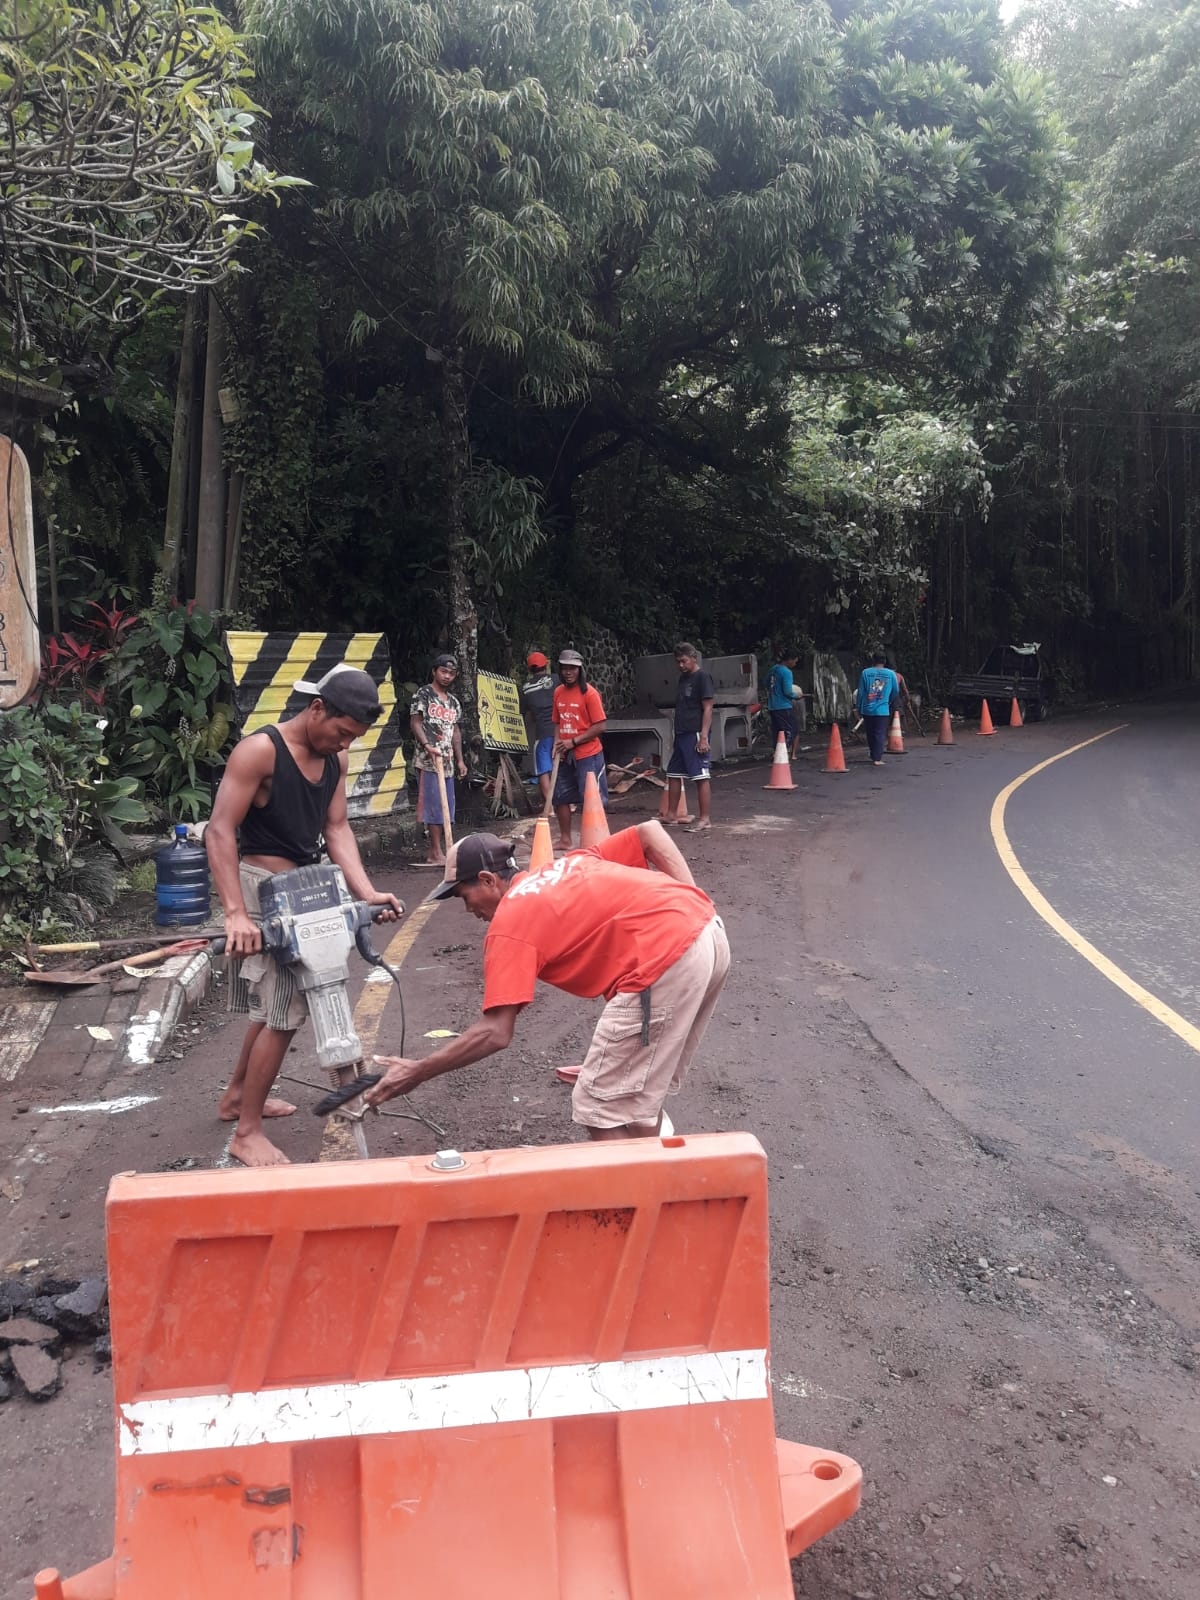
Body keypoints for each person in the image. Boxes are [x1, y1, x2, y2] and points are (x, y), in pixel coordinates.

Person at [368, 822, 730, 1139]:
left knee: (599, 1107)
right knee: (634, 1095)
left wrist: (418, 1071)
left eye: (464, 896)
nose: (468, 909)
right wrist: (692, 903)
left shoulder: (509, 921)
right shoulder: (566, 865)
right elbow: (650, 832)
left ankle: (646, 1208)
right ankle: (664, 1181)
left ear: (487, 880)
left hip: (667, 958)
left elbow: (496, 1032)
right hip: (708, 931)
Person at [205, 664, 404, 1167]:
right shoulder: (260, 751)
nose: (343, 744)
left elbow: (336, 829)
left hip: (308, 888)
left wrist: (367, 892)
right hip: (261, 890)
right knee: (286, 1010)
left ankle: (234, 1096)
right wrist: (235, 913)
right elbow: (219, 832)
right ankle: (246, 1132)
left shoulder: (334, 760)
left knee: (271, 1006)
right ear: (317, 709)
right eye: (340, 732)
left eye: (352, 738)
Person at [410, 653, 467, 864]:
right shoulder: (423, 694)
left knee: (447, 807)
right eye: (443, 671)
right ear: (435, 671)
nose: (447, 676)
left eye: (451, 673)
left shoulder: (453, 702)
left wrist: (460, 760)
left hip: (448, 761)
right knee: (434, 806)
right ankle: (434, 852)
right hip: (428, 760)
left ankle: (443, 848)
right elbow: (415, 722)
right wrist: (427, 745)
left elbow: (456, 732)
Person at [551, 647, 607, 850]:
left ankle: (597, 841)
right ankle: (566, 839)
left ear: (580, 670)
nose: (568, 672)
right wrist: (557, 744)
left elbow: (600, 726)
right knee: (560, 796)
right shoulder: (558, 692)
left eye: (572, 668)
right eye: (565, 668)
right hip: (564, 753)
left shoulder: (590, 694)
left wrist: (573, 742)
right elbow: (557, 721)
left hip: (588, 753)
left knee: (592, 798)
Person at [665, 641, 714, 833]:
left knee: (700, 775)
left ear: (694, 658)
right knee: (673, 773)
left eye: (684, 661)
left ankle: (705, 818)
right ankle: (671, 814)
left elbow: (708, 707)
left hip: (695, 731)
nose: (681, 665)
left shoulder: (703, 677)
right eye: (678, 662)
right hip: (681, 732)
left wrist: (703, 736)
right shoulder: (683, 678)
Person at [520, 649, 556, 804]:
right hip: (563, 731)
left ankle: (550, 806)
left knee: (543, 770)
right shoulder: (557, 679)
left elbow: (527, 715)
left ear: (530, 669)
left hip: (542, 733)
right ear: (546, 665)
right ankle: (569, 803)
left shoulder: (526, 688)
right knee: (561, 767)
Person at [855, 652, 900, 766]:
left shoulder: (865, 673)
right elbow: (896, 690)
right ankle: (877, 758)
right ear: (884, 661)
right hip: (882, 709)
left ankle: (873, 753)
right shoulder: (891, 674)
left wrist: (859, 707)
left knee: (870, 733)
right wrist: (888, 699)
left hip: (867, 708)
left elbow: (861, 692)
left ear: (873, 660)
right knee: (880, 733)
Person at [765, 648, 804, 759]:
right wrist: (797, 696)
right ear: (790, 660)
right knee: (792, 729)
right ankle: (780, 752)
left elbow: (766, 682)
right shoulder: (786, 672)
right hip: (783, 705)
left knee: (777, 730)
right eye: (795, 661)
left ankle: (777, 751)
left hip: (772, 705)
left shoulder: (773, 669)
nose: (795, 663)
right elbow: (787, 691)